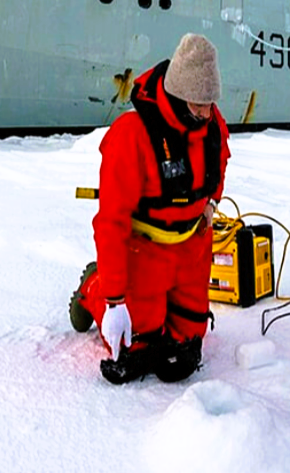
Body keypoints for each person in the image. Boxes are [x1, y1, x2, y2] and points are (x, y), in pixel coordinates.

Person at [69, 34, 230, 384]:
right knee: (139, 348)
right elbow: (111, 222)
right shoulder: (132, 134)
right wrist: (115, 300)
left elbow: (218, 167)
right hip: (145, 251)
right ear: (177, 93)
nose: (207, 113)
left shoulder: (212, 123)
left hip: (191, 249)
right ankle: (93, 289)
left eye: (210, 103)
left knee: (185, 350)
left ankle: (167, 308)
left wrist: (211, 204)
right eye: (198, 104)